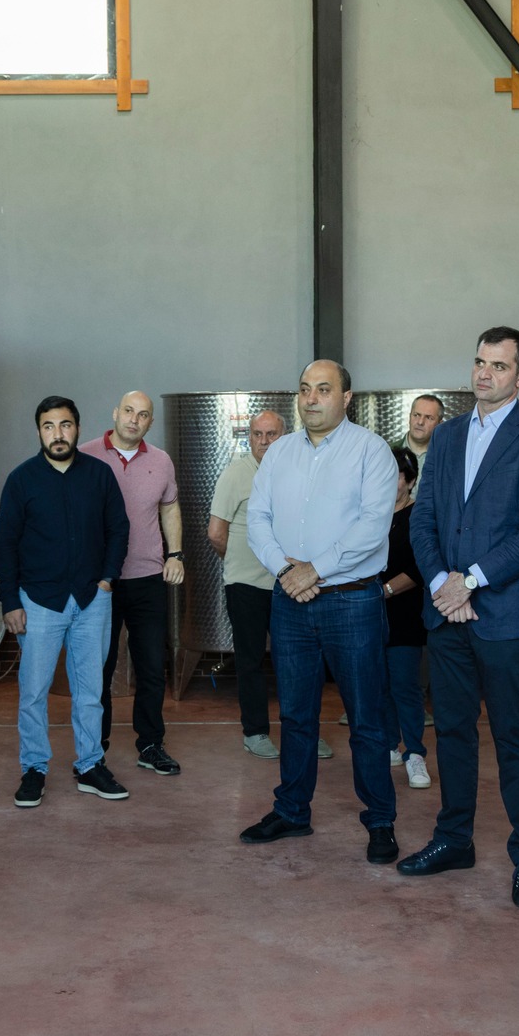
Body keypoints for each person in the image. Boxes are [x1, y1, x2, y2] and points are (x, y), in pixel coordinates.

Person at [400, 329, 519, 909]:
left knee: (514, 737)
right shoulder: (447, 436)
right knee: (451, 730)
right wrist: (442, 584)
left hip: (506, 616)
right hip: (448, 613)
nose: (484, 373)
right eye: (479, 361)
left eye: (498, 365)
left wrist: (468, 580)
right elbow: (423, 518)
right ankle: (454, 840)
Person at [238, 359, 402, 864]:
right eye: (305, 389)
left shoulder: (371, 451)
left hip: (352, 600)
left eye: (323, 389)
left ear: (346, 397)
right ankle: (292, 811)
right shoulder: (280, 452)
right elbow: (258, 518)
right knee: (295, 714)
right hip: (291, 602)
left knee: (366, 718)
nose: (311, 399)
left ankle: (380, 821)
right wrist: (286, 571)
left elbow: (373, 526)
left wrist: (315, 570)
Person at [0, 396, 131, 808]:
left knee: (90, 691)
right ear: (39, 431)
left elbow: (118, 528)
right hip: (38, 601)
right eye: (49, 426)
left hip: (92, 599)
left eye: (65, 425)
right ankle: (34, 769)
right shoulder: (22, 480)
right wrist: (10, 601)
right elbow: (5, 545)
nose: (58, 434)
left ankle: (90, 765)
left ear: (77, 428)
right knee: (34, 692)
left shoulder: (99, 475)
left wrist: (107, 579)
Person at [78, 391, 184, 777]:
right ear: (115, 413)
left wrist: (175, 554)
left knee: (152, 667)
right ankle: (94, 748)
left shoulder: (161, 461)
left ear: (150, 422)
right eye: (128, 411)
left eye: (142, 415)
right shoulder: (86, 455)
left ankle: (151, 744)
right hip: (99, 582)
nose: (134, 420)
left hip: (147, 578)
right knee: (98, 669)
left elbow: (169, 508)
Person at [208, 408, 286, 758]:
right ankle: (255, 733)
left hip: (287, 584)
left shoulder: (293, 472)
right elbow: (216, 533)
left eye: (271, 434)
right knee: (250, 661)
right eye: (257, 434)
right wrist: (241, 562)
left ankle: (303, 732)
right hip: (246, 585)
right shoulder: (235, 475)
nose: (264, 441)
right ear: (249, 437)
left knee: (295, 661)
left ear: (284, 437)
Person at [381, 448, 431, 791]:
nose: (390, 480)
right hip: (370, 614)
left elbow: (420, 567)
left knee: (404, 686)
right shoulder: (371, 513)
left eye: (397, 475)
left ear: (410, 481)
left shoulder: (419, 516)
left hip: (405, 614)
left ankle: (415, 753)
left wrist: (384, 591)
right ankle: (389, 745)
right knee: (378, 685)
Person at [403, 394, 442, 463]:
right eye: (416, 415)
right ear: (409, 417)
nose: (420, 422)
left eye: (429, 418)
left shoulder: (447, 456)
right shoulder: (388, 451)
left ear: (440, 424)